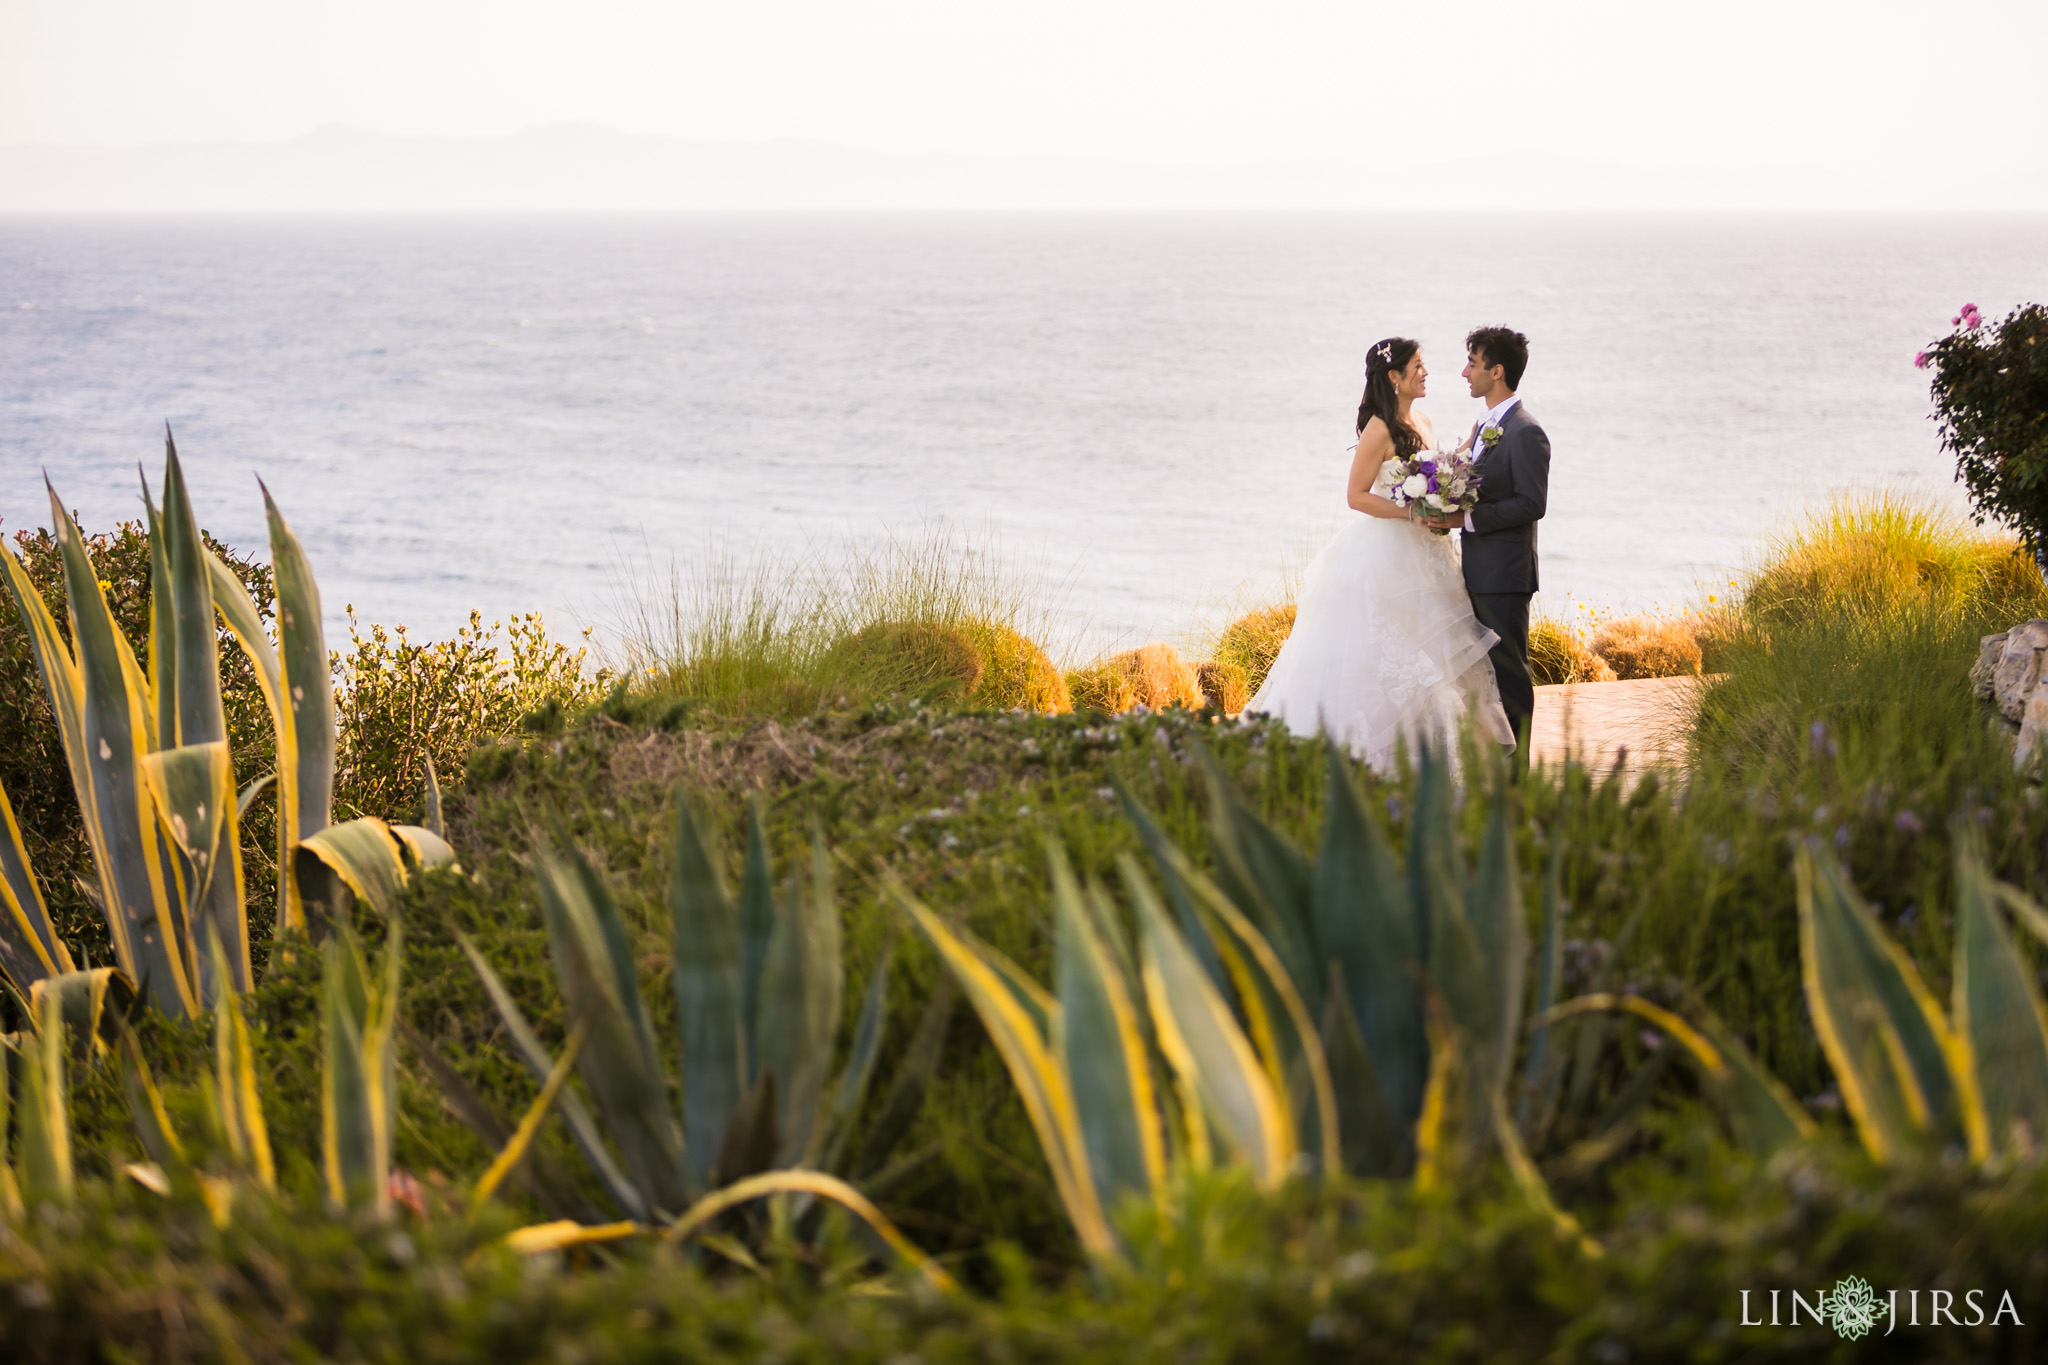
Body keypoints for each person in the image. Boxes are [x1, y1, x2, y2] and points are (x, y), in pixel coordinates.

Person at [1246, 336, 1513, 771]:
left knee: (1439, 657)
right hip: (1389, 554)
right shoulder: (1378, 429)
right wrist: (1409, 513)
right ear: (1394, 377)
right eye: (1418, 366)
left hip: (1431, 558)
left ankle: (1437, 762)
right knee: (1393, 656)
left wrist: (1459, 461)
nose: (1426, 372)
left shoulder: (1423, 419)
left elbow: (1432, 469)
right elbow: (1356, 496)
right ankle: (1379, 760)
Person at [1424, 326, 1548, 762]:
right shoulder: (1485, 427)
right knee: (1485, 678)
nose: (1464, 373)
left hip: (1505, 577)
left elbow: (1531, 504)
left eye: (1473, 364)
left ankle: (1518, 781)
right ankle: (1494, 770)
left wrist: (1464, 518)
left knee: (1510, 678)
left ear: (1496, 372)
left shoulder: (1525, 432)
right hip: (1478, 571)